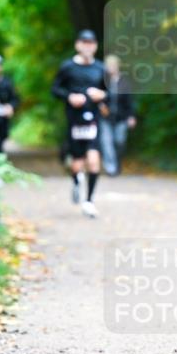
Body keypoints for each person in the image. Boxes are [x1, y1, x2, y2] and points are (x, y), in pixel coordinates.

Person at [50, 30, 108, 218]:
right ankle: (76, 181)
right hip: (74, 121)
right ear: (78, 45)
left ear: (95, 46)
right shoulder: (67, 67)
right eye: (84, 42)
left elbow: (110, 92)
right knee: (77, 164)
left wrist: (102, 95)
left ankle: (89, 201)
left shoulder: (100, 68)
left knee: (93, 161)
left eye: (91, 43)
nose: (88, 46)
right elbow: (55, 89)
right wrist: (70, 97)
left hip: (94, 121)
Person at [98, 54, 137, 177]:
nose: (110, 68)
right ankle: (111, 168)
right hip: (105, 118)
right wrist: (100, 105)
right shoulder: (102, 81)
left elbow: (130, 101)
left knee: (119, 142)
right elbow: (96, 96)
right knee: (106, 142)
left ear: (117, 66)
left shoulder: (124, 82)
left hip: (121, 118)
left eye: (112, 65)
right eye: (108, 65)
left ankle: (117, 163)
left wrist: (131, 116)